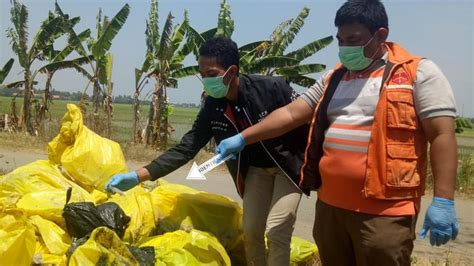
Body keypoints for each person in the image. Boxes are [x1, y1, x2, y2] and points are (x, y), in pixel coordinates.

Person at [216, 0, 459, 265]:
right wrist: (244, 137)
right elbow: (291, 113)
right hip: (331, 208)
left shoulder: (417, 73)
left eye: (353, 39)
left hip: (384, 213)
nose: (345, 48)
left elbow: (442, 135)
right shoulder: (334, 78)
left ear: (380, 35)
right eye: (340, 40)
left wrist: (443, 200)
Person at [105, 37, 310, 265]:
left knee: (276, 230)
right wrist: (138, 176)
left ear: (232, 71)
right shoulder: (213, 106)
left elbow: (306, 121)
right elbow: (187, 147)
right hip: (255, 171)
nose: (206, 81)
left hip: (287, 168)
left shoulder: (272, 88)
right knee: (251, 231)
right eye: (202, 75)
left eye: (211, 74)